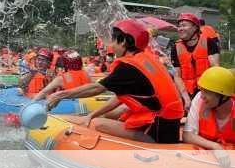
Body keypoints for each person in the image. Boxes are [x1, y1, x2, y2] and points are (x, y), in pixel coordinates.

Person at [47, 19, 184, 143]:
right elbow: (122, 98)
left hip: (157, 130)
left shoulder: (128, 68)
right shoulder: (146, 58)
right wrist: (92, 114)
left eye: (113, 40)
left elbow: (96, 89)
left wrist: (60, 95)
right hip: (167, 124)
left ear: (123, 41)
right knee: (108, 115)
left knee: (97, 124)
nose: (111, 45)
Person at [183, 67, 234, 168]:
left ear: (223, 96)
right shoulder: (199, 98)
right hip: (204, 160)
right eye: (202, 90)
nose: (202, 96)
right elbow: (187, 135)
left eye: (207, 92)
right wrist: (215, 146)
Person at [171, 13, 220, 111]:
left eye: (184, 25)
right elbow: (177, 76)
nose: (180, 28)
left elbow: (215, 68)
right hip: (187, 92)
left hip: (206, 91)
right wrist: (186, 99)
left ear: (195, 28)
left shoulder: (209, 43)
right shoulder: (175, 48)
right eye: (179, 26)